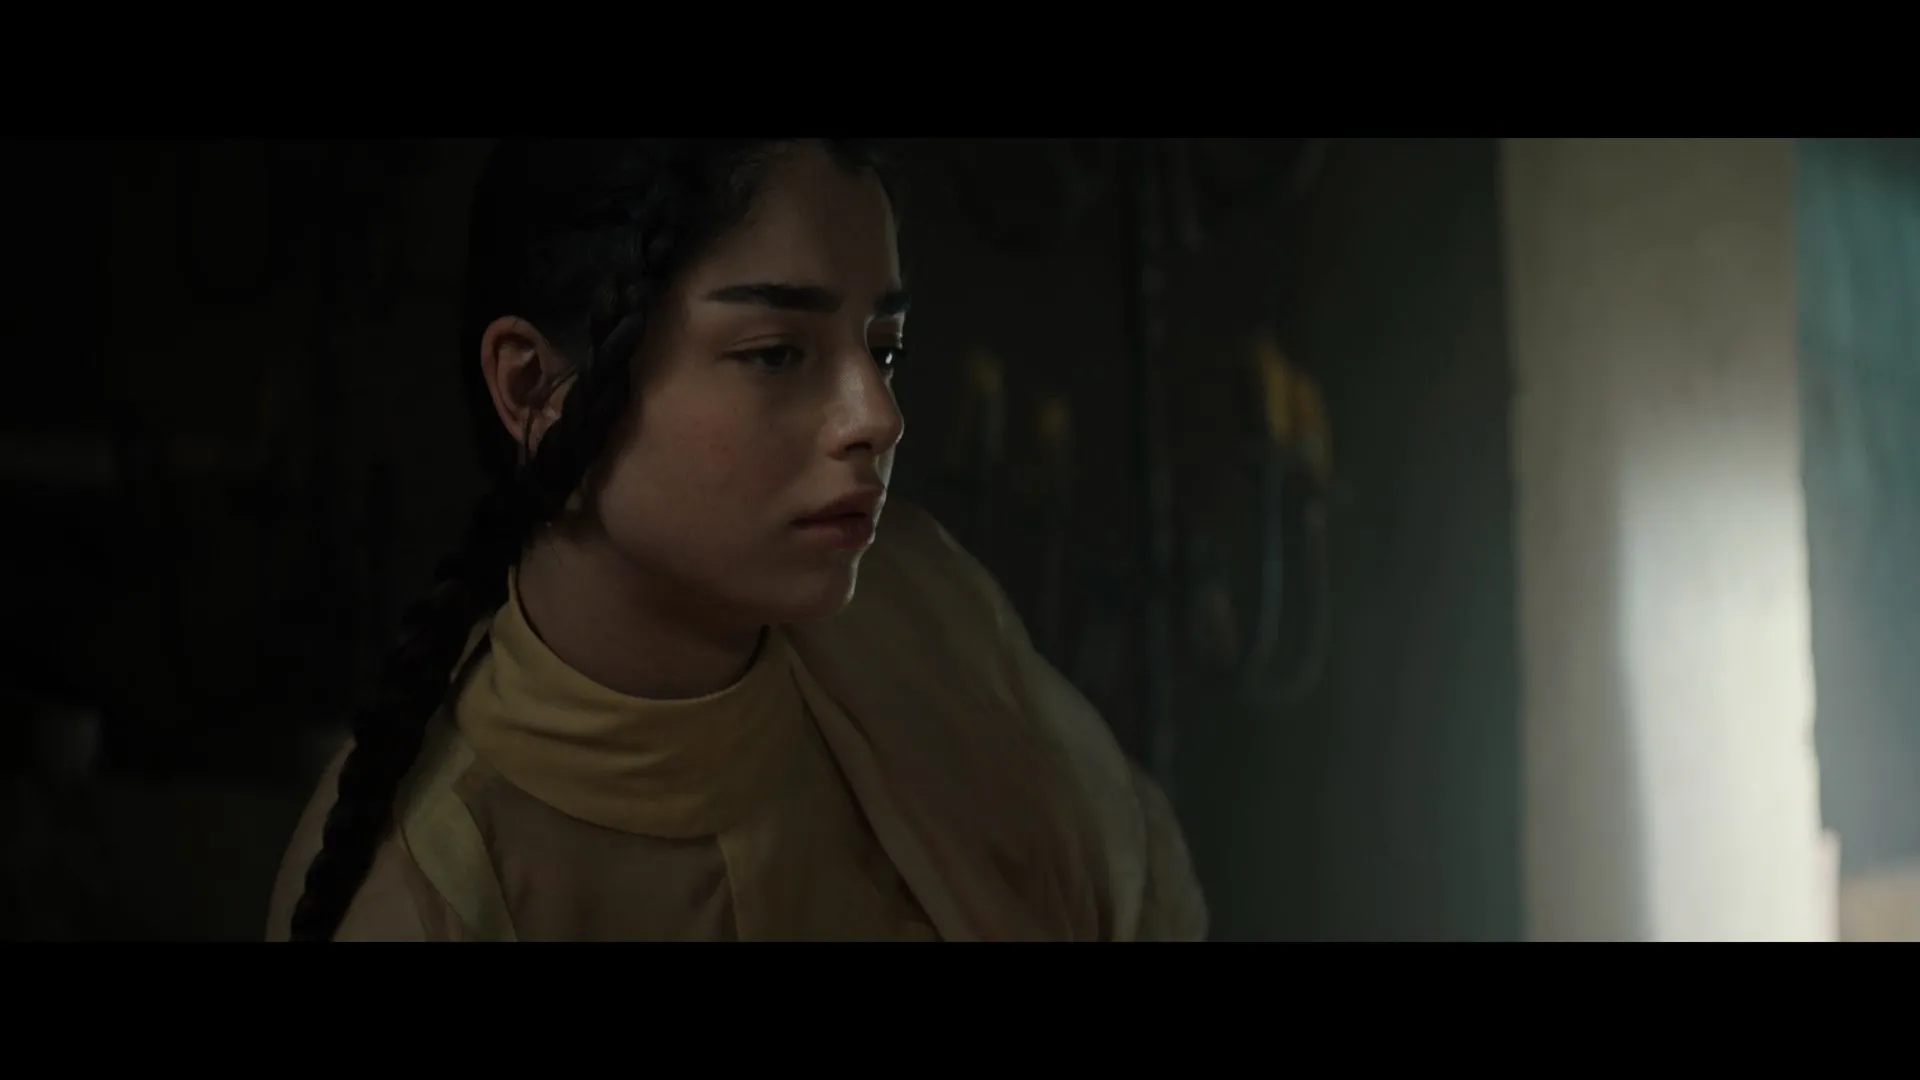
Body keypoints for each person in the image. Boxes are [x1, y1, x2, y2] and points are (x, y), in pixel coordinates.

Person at [265, 138, 1206, 942]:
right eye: (775, 353)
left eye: (882, 348)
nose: (878, 416)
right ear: (533, 388)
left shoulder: (915, 607)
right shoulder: (427, 897)